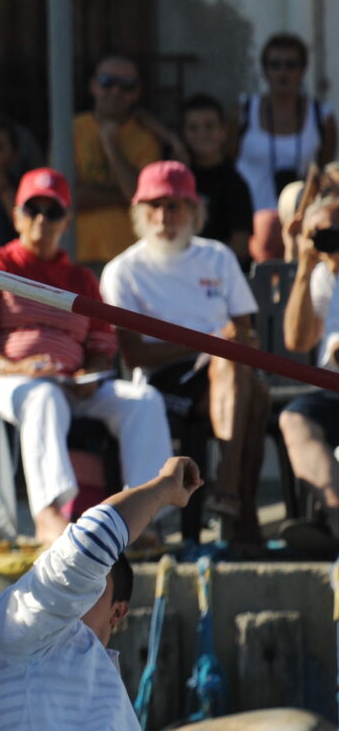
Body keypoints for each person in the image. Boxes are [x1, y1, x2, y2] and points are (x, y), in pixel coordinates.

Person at [0, 168, 171, 544]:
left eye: (52, 212)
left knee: (144, 400)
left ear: (66, 222)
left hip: (72, 382)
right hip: (9, 381)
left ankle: (141, 515)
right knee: (44, 396)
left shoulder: (81, 279)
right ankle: (49, 515)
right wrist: (16, 367)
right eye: (32, 209)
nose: (41, 220)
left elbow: (102, 345)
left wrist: (90, 375)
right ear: (16, 215)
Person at [0, 457, 204, 731]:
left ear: (117, 613)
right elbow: (92, 543)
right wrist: (165, 487)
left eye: (94, 586)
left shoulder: (95, 670)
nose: (79, 590)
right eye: (81, 578)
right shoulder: (17, 626)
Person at [99, 161, 267, 546]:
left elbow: (245, 329)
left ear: (194, 210)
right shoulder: (122, 270)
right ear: (139, 213)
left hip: (223, 372)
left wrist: (227, 342)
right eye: (153, 206)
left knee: (246, 381)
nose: (163, 216)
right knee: (253, 393)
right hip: (165, 379)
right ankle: (238, 506)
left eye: (174, 205)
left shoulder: (218, 256)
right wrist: (208, 340)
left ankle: (229, 496)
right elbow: (135, 354)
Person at [73, 55, 182, 264]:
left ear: (137, 92)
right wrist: (122, 195)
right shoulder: (72, 129)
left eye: (127, 86)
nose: (116, 91)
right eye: (107, 82)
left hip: (130, 260)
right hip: (78, 257)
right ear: (93, 86)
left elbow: (139, 198)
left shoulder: (147, 138)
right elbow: (68, 198)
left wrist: (112, 148)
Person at [277, 194, 339, 544]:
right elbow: (297, 340)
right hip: (330, 389)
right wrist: (304, 266)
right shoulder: (320, 275)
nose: (331, 238)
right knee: (295, 418)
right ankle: (336, 515)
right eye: (321, 232)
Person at [235, 31, 336, 213]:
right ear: (265, 70)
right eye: (275, 65)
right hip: (251, 219)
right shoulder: (243, 111)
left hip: (301, 220)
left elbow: (325, 169)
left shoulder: (322, 117)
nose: (283, 72)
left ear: (302, 70)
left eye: (291, 65)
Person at [181, 94, 254, 262]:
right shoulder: (181, 179)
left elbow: (240, 247)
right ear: (183, 133)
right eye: (193, 127)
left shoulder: (235, 183)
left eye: (209, 126)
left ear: (223, 131)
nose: (202, 133)